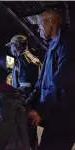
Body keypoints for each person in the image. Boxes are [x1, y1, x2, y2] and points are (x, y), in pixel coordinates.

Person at [27, 9, 75, 150]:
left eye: (40, 24)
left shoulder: (69, 43)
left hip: (64, 118)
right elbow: (42, 82)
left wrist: (41, 110)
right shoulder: (54, 45)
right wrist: (30, 102)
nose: (39, 29)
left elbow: (62, 83)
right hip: (55, 115)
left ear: (52, 21)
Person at [5, 35, 42, 149]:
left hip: (25, 105)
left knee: (24, 136)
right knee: (32, 135)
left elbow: (24, 86)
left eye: (11, 46)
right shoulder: (35, 59)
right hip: (34, 103)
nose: (11, 50)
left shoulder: (22, 60)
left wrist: (21, 104)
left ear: (16, 45)